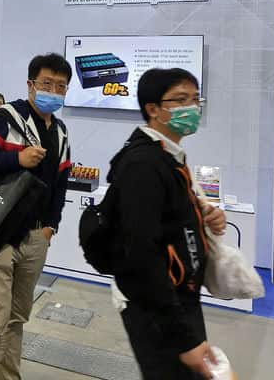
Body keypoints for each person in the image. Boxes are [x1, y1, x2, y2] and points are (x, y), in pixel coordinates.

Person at [108, 68, 227, 379]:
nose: (192, 107)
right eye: (181, 100)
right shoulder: (143, 164)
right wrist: (183, 337)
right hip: (155, 305)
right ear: (153, 109)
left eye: (195, 99)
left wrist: (204, 218)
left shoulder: (169, 156)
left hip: (178, 296)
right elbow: (142, 254)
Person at [0, 53, 72, 380]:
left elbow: (61, 183)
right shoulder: (4, 119)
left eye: (61, 86)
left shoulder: (61, 131)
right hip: (0, 233)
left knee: (16, 320)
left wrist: (51, 227)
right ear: (30, 85)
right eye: (47, 83)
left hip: (36, 238)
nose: (53, 91)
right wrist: (16, 160)